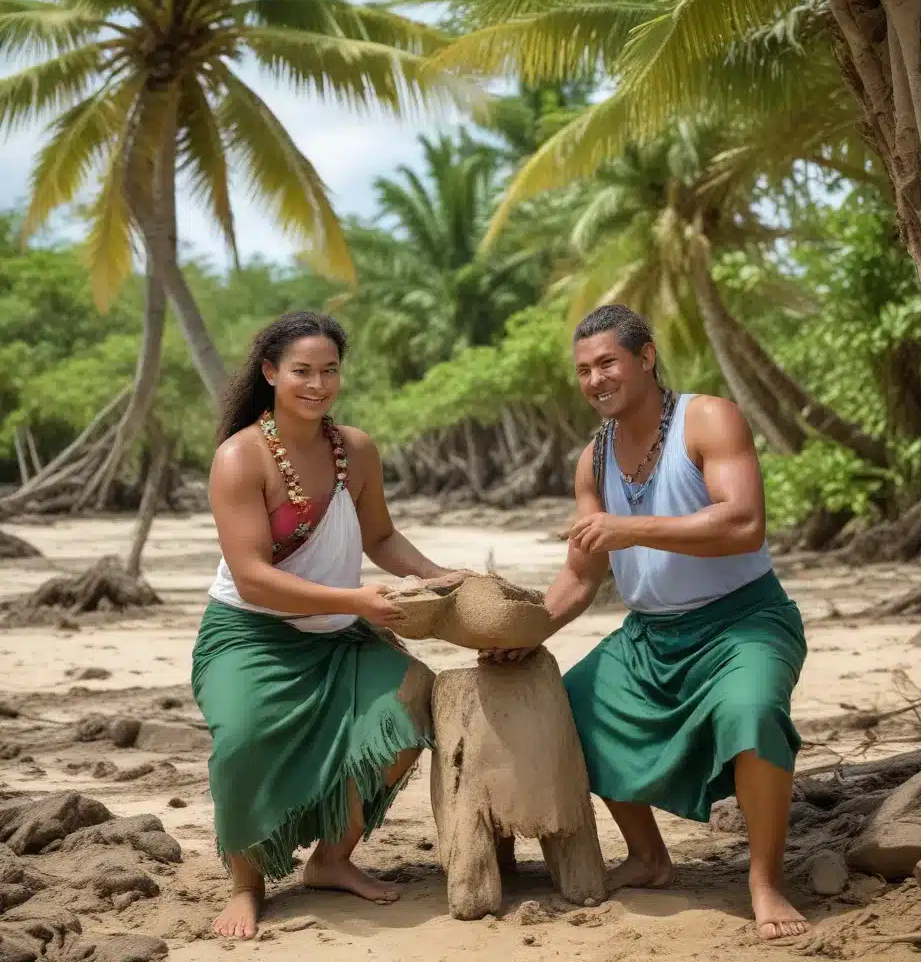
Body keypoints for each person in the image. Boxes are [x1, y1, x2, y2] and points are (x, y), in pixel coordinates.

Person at [482, 304, 808, 940]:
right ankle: (649, 856)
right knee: (571, 704)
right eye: (583, 370)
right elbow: (580, 577)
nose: (596, 379)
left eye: (607, 362)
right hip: (651, 636)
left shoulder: (707, 417)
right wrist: (525, 635)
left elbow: (743, 524)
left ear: (646, 356)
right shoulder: (592, 461)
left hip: (743, 622)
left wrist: (626, 526)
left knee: (754, 714)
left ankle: (765, 881)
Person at [192, 311, 467, 940]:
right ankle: (246, 884)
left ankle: (332, 860)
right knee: (243, 741)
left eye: (330, 370)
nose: (318, 384)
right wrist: (358, 599)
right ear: (270, 373)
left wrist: (436, 575)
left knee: (407, 709)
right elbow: (255, 577)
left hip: (342, 630)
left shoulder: (356, 448)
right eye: (302, 371)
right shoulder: (240, 458)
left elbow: (382, 537)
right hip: (250, 634)